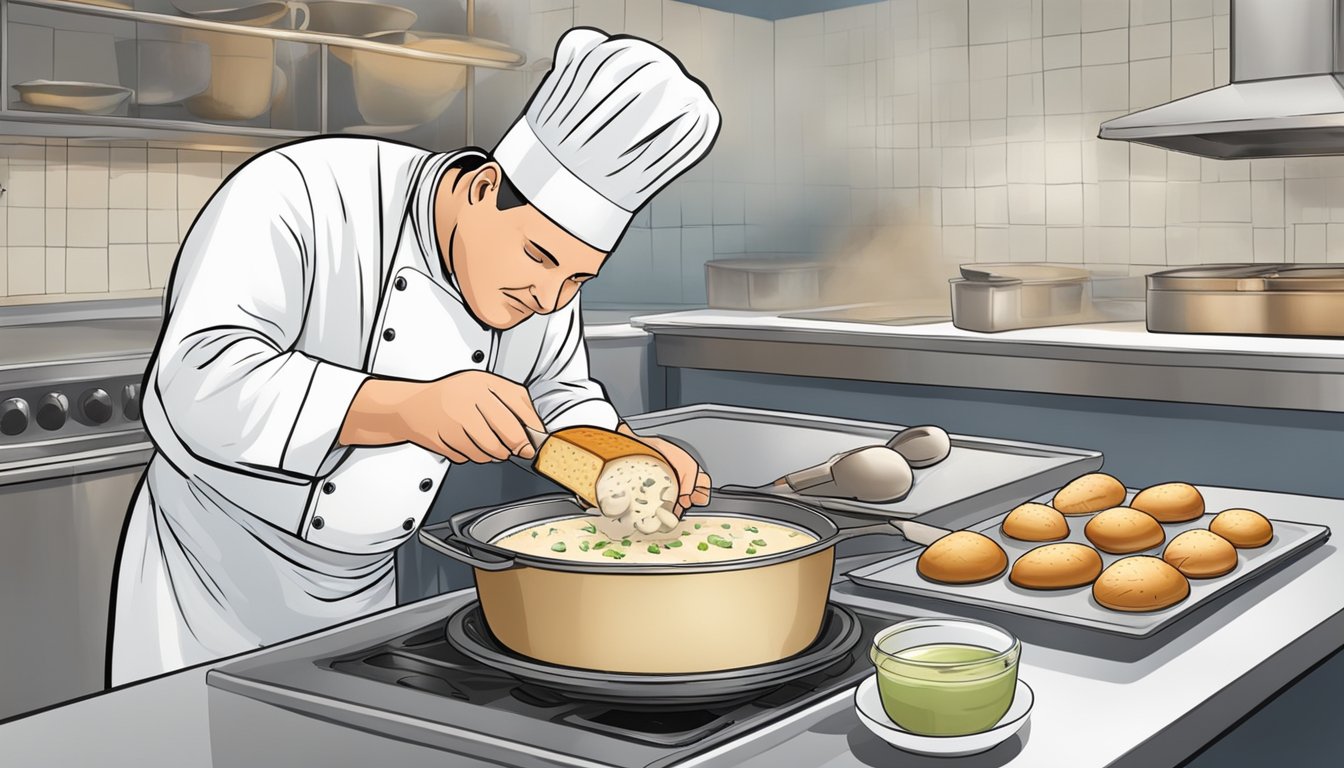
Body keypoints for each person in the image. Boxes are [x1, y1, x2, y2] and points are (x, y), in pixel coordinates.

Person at [108, 27, 721, 686]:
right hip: (210, 583)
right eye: (540, 258)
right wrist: (407, 407)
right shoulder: (301, 193)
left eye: (577, 279)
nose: (549, 298)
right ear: (485, 186)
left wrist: (624, 458)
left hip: (364, 593)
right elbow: (196, 380)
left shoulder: (543, 283)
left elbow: (558, 397)